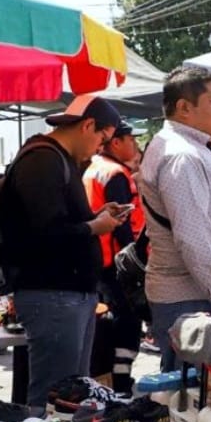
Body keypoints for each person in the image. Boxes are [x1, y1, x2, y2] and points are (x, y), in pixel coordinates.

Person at [0, 94, 125, 413]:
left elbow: (56, 223)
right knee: (54, 395)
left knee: (70, 395)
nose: (100, 149)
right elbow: (46, 232)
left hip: (67, 294)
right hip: (52, 294)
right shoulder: (42, 160)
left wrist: (96, 217)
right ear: (88, 125)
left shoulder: (58, 159)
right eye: (102, 139)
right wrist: (95, 226)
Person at [138, 66, 211, 371]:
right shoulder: (182, 156)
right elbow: (193, 236)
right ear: (184, 108)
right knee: (204, 395)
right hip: (197, 304)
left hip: (199, 300)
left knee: (203, 392)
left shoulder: (190, 148)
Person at [83, 120, 147, 393]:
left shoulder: (93, 168)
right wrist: (135, 263)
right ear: (116, 142)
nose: (135, 144)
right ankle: (120, 382)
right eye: (131, 139)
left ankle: (105, 378)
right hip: (116, 263)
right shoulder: (116, 174)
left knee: (107, 323)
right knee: (128, 322)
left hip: (98, 260)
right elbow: (122, 222)